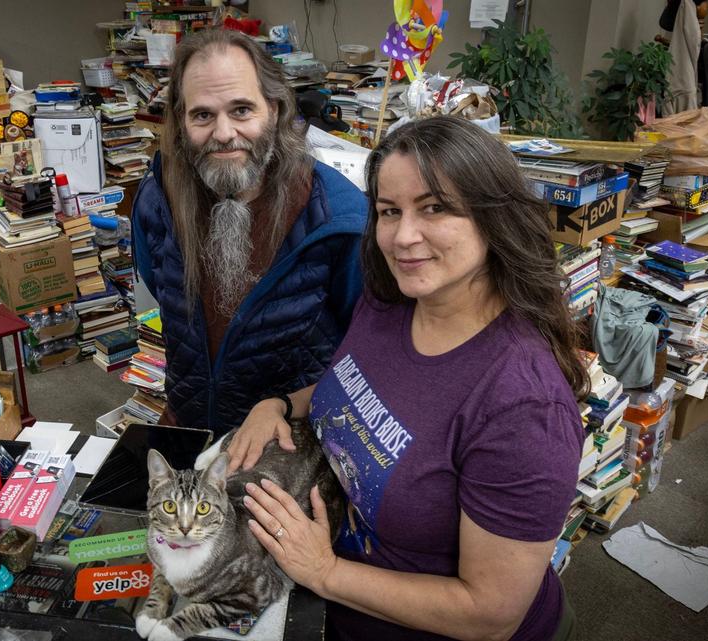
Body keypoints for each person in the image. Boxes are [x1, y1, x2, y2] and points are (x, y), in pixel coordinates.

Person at [235, 117, 588, 641]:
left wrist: (325, 573)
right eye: (388, 212)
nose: (402, 237)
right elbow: (356, 391)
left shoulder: (524, 406)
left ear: (494, 219)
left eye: (435, 208)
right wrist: (281, 405)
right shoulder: (390, 300)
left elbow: (491, 614)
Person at [131, 29, 367, 436]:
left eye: (241, 110)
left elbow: (367, 356)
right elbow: (160, 291)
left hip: (289, 456)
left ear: (274, 110)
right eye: (202, 114)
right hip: (192, 437)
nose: (223, 133)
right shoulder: (158, 199)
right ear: (181, 120)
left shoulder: (339, 220)